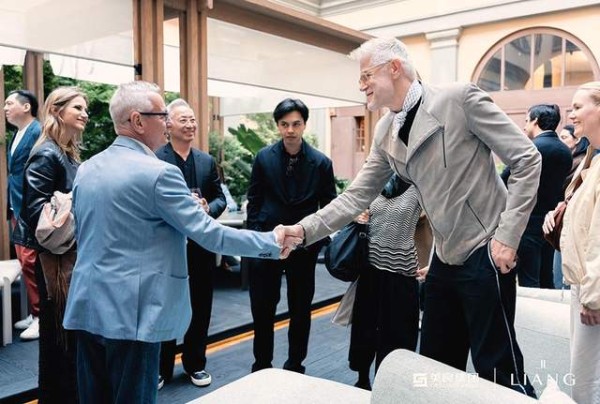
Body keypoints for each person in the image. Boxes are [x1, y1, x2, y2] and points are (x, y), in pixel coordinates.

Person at [284, 37, 541, 396]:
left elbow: (527, 159)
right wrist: (302, 230)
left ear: (395, 68)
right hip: (443, 260)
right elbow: (356, 196)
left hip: (484, 252)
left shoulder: (459, 99)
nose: (361, 85)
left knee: (499, 372)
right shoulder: (385, 130)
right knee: (436, 370)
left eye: (366, 75)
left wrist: (507, 237)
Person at [62, 81, 298, 404]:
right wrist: (271, 242)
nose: (168, 122)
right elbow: (210, 234)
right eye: (162, 115)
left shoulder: (87, 169)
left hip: (86, 307)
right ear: (138, 121)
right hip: (133, 315)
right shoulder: (159, 173)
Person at [245, 98, 337, 374]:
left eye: (296, 124)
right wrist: (258, 239)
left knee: (300, 309)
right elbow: (254, 200)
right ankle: (262, 364)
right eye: (284, 124)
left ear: (304, 125)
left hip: (303, 248)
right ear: (277, 126)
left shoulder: (321, 163)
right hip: (268, 245)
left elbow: (329, 207)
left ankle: (295, 364)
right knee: (263, 308)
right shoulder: (264, 158)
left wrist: (314, 242)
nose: (290, 130)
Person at [12, 86, 89, 403]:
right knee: (59, 339)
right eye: (78, 108)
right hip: (54, 261)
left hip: (66, 257)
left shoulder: (65, 152)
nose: (85, 114)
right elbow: (35, 212)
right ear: (57, 110)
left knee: (65, 337)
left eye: (85, 108)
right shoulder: (47, 153)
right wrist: (74, 205)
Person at [155, 98, 226, 388]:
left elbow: (221, 198)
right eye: (183, 119)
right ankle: (161, 368)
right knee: (165, 305)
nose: (190, 125)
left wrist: (209, 207)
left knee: (200, 306)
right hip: (167, 248)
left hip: (200, 247)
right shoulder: (156, 159)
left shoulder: (206, 161)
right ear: (168, 125)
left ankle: (195, 364)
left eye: (193, 119)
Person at [348, 174, 430, 390]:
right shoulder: (376, 180)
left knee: (398, 334)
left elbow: (441, 223)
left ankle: (388, 385)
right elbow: (350, 206)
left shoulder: (419, 184)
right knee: (364, 328)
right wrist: (357, 216)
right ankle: (362, 379)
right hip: (370, 269)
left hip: (402, 273)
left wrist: (434, 262)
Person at [556, 81, 600, 404]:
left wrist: (593, 296)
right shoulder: (592, 160)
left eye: (577, 107)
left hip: (592, 291)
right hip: (585, 287)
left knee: (585, 385)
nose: (570, 115)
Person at [501, 104, 572, 288]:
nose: (524, 126)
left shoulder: (531, 148)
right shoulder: (565, 151)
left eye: (527, 121)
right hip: (551, 222)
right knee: (546, 277)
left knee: (528, 279)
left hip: (527, 221)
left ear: (536, 121)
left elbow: (504, 179)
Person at [4, 90, 42, 340]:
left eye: (9, 103)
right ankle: (36, 312)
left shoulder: (38, 132)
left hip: (29, 207)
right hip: (17, 206)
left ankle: (42, 316)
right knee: (23, 260)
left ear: (26, 106)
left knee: (31, 261)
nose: (5, 108)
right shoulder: (17, 134)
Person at [558, 124, 590, 188]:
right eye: (559, 138)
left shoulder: (579, 160)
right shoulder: (573, 158)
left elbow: (563, 183)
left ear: (577, 140)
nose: (560, 141)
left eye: (564, 137)